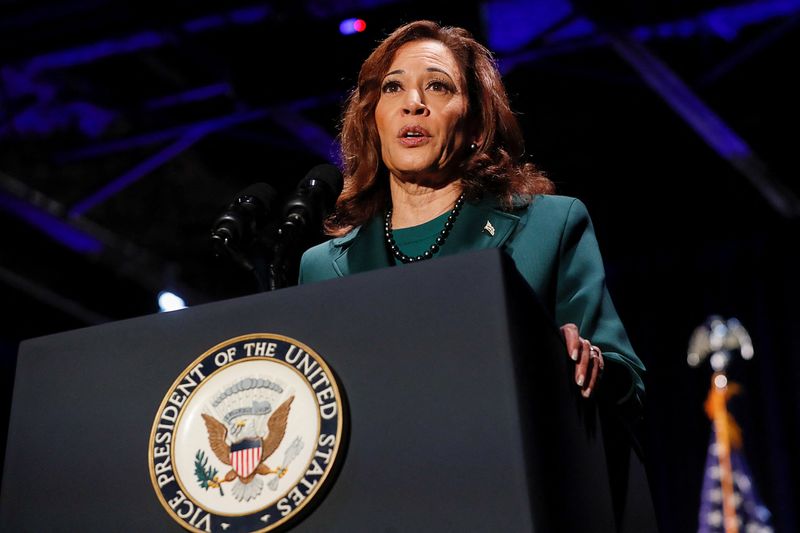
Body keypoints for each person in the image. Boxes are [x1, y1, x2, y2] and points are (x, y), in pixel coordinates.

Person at [298, 19, 645, 418]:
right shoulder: (322, 267)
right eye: (393, 87)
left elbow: (628, 383)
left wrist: (588, 363)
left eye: (437, 86)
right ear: (373, 121)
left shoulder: (550, 227)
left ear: (477, 124)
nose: (413, 103)